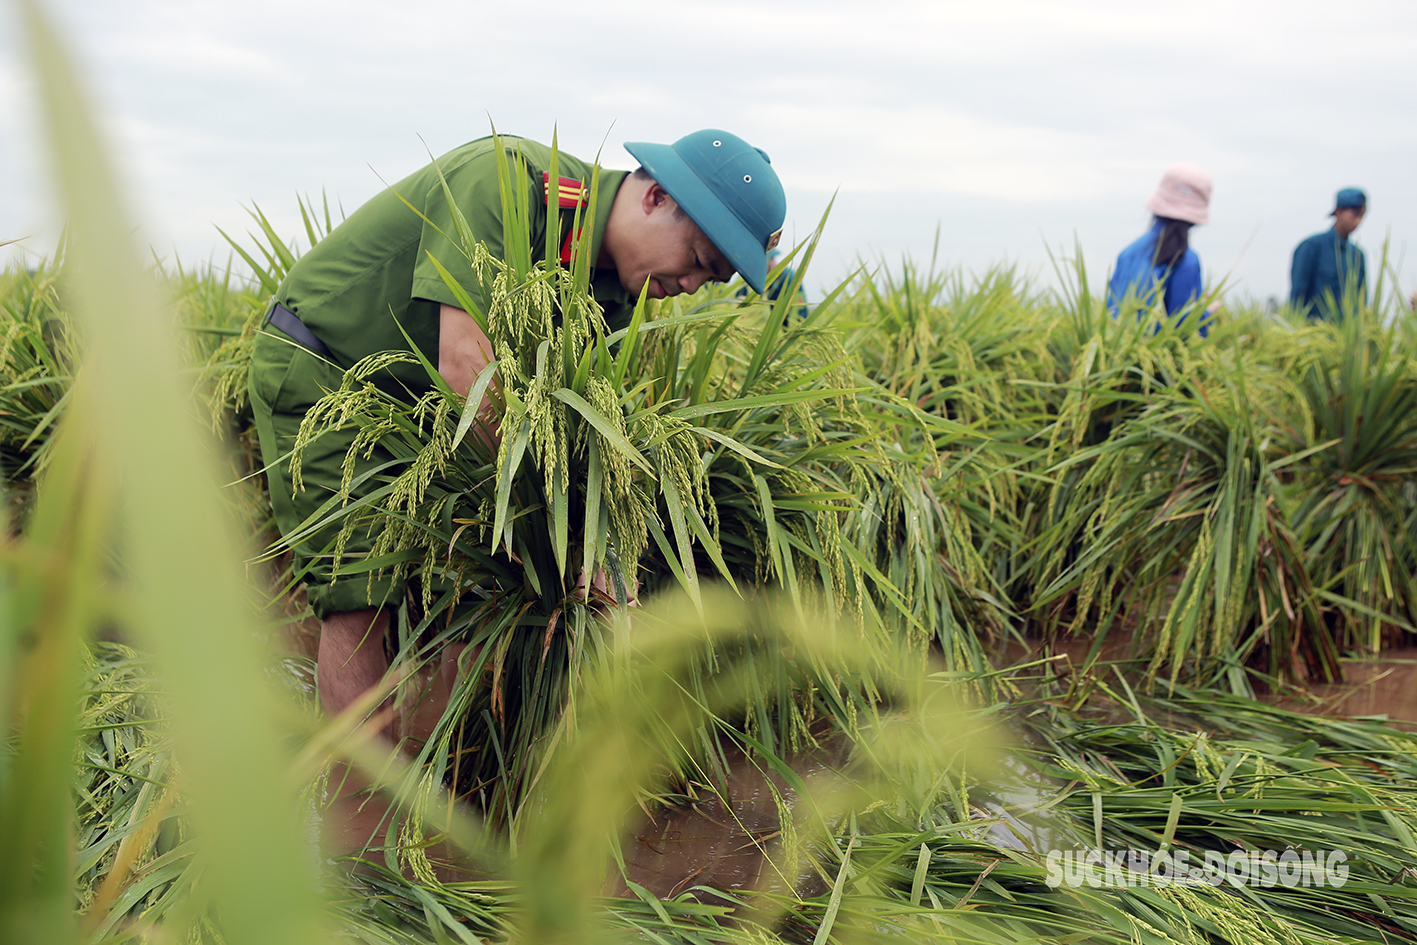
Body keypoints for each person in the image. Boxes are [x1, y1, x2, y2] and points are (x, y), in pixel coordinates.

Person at [247, 129, 786, 846]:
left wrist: (600, 564)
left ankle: (440, 799)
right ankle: (359, 848)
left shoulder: (611, 289)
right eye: (697, 261)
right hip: (328, 373)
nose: (690, 286)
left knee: (488, 588)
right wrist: (564, 533)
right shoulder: (507, 183)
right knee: (363, 599)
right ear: (656, 195)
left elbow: (564, 428)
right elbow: (467, 367)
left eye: (708, 281)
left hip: (422, 410)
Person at [1106, 164, 1213, 337]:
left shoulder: (1127, 253)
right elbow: (1182, 329)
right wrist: (1206, 313)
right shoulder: (1186, 260)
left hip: (1114, 357)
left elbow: (1111, 311)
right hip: (1153, 361)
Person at [1289, 188, 1367, 320]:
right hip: (1314, 334)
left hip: (1346, 337)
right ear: (1338, 212)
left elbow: (1362, 301)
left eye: (1361, 215)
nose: (1358, 221)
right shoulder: (1311, 247)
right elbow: (1298, 296)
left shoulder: (1358, 255)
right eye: (1354, 214)